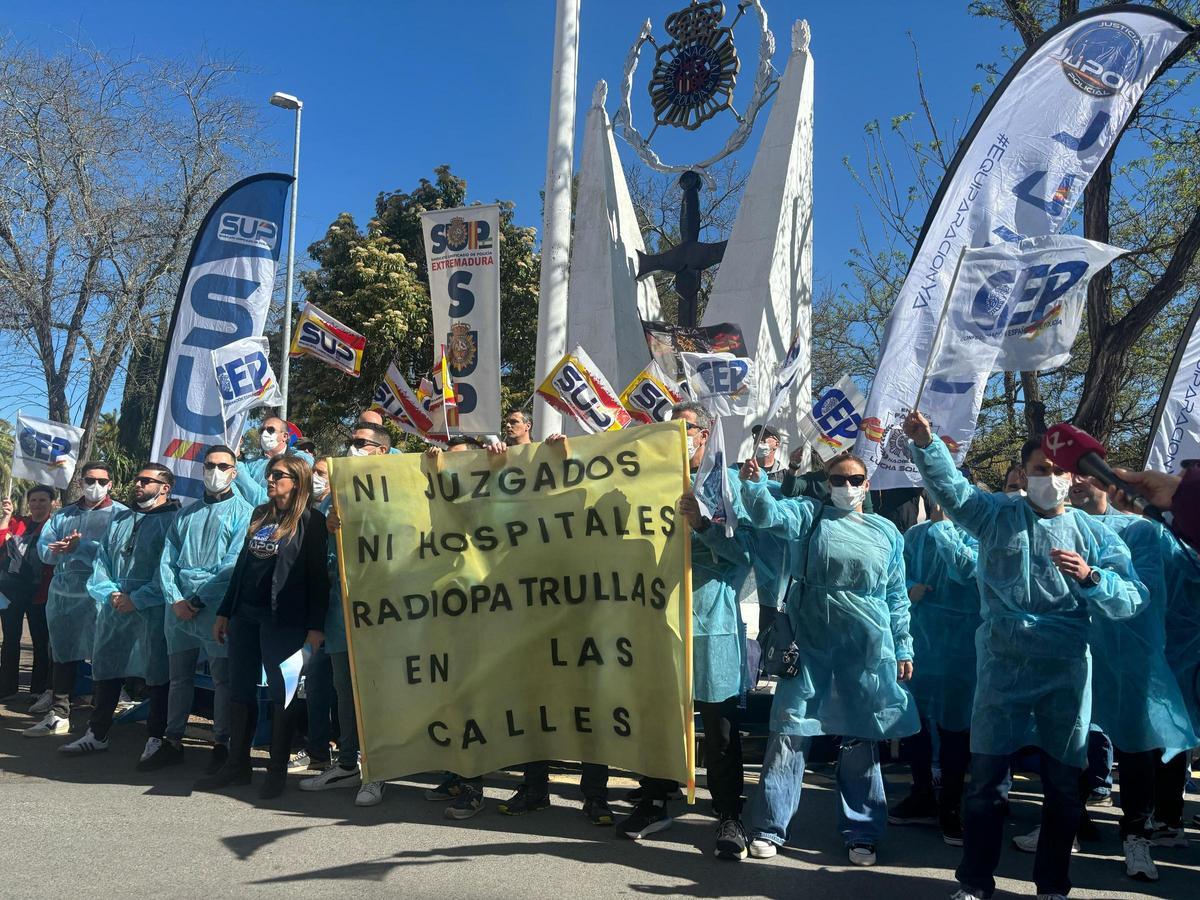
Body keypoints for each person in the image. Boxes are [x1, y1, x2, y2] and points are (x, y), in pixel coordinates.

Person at [904, 412, 1148, 900]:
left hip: (1065, 668)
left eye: (1058, 471)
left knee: (1062, 787)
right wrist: (929, 446)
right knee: (986, 785)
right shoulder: (996, 516)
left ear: (1073, 477)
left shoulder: (1094, 533)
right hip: (1002, 663)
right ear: (1023, 472)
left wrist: (1092, 578)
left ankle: (1053, 885)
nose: (1049, 479)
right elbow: (953, 491)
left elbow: (1132, 598)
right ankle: (975, 882)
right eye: (1040, 469)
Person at [736, 449, 918, 867]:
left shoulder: (887, 532)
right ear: (825, 484)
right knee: (791, 728)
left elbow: (895, 596)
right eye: (837, 480)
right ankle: (769, 826)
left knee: (859, 736)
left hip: (866, 645)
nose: (846, 487)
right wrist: (754, 483)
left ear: (866, 485)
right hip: (812, 639)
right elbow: (768, 515)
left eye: (854, 480)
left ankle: (863, 831)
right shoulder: (809, 515)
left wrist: (903, 645)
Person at [617, 401, 755, 862]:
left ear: (704, 433)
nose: (677, 433)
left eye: (686, 427)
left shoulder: (725, 484)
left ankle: (729, 814)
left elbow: (745, 553)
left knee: (719, 725)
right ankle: (654, 799)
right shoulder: (650, 481)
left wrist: (700, 525)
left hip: (711, 621)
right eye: (670, 426)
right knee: (659, 717)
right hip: (660, 617)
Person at [1059, 474, 1197, 882]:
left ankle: (1136, 837)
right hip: (1075, 650)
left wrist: (1094, 579)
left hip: (1129, 652)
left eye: (1085, 474)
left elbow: (1145, 592)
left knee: (1135, 746)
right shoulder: (1060, 526)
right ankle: (1069, 824)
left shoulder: (1141, 531)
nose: (1077, 482)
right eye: (1070, 475)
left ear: (1106, 481)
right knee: (1072, 740)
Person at [204, 454, 328, 800]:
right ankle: (237, 765)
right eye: (270, 474)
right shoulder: (261, 514)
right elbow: (242, 567)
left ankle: (276, 771)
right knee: (240, 689)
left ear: (297, 482)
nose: (270, 479)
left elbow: (319, 577)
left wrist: (315, 627)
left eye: (278, 475)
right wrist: (225, 611)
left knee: (281, 693)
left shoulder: (312, 521)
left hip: (284, 619)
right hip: (245, 614)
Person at [59, 464, 181, 758]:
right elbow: (102, 561)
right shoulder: (121, 519)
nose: (138, 484)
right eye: (137, 479)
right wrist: (111, 592)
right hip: (115, 607)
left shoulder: (175, 522)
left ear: (165, 488)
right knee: (106, 668)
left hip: (153, 611)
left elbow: (170, 569)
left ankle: (156, 737)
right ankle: (97, 733)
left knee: (157, 673)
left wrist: (138, 598)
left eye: (146, 480)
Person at [301, 424, 391, 807]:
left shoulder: (396, 488)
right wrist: (330, 530)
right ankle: (347, 764)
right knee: (344, 689)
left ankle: (378, 769)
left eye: (360, 443)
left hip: (383, 611)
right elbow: (322, 562)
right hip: (341, 611)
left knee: (376, 691)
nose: (352, 448)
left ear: (382, 451)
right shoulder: (333, 497)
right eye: (350, 442)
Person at [153, 445, 254, 773]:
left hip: (215, 609)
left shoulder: (244, 512)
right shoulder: (185, 514)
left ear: (234, 472)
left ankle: (221, 743)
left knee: (223, 679)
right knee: (179, 678)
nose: (215, 472)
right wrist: (175, 599)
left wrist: (198, 600)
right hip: (179, 608)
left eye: (223, 466)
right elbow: (167, 560)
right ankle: (172, 739)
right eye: (210, 465)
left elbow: (231, 567)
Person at [888, 493, 980, 847]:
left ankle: (951, 805)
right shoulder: (915, 535)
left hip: (962, 646)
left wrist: (944, 528)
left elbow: (967, 571)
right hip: (921, 641)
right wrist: (910, 588)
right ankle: (922, 793)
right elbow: (895, 576)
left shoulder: (977, 532)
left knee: (955, 727)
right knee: (917, 722)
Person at [25, 462, 127, 737]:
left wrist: (81, 547)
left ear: (110, 484)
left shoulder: (121, 515)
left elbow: (120, 554)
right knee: (62, 652)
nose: (96, 486)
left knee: (103, 655)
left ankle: (100, 720)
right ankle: (59, 713)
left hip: (102, 596)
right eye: (90, 480)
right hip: (65, 595)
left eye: (102, 481)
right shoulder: (63, 515)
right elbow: (45, 551)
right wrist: (58, 550)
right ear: (80, 483)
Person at [0, 487, 56, 705]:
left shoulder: (55, 526)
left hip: (41, 592)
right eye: (33, 500)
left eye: (42, 500)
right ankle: (7, 687)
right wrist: (6, 518)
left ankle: (38, 689)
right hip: (11, 590)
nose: (37, 504)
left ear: (52, 503)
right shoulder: (17, 523)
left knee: (41, 642)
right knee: (10, 640)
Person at [234, 415, 314, 505]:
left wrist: (239, 469)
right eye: (262, 430)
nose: (264, 434)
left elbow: (267, 500)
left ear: (285, 436)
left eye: (270, 430)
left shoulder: (302, 458)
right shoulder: (249, 464)